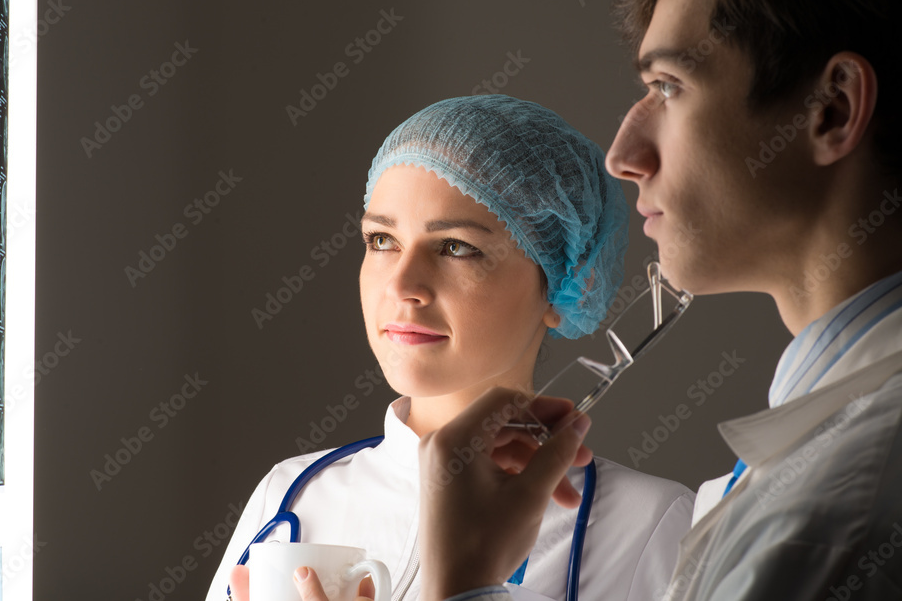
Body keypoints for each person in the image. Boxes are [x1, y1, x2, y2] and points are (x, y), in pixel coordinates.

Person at [414, 0, 902, 600]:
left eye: (668, 87)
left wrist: (464, 582)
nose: (623, 153)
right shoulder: (823, 460)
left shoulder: (838, 510)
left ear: (832, 109)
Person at [207, 95, 696, 601]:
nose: (403, 285)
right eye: (381, 240)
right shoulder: (290, 495)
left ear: (564, 281)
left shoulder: (650, 527)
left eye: (456, 247)